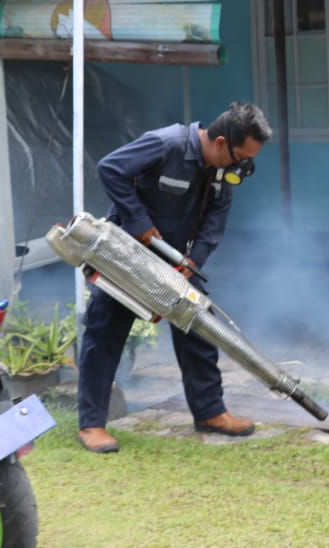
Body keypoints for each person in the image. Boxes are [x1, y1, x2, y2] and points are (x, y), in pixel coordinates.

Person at [76, 101, 272, 454]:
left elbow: (217, 216)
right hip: (128, 255)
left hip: (177, 261)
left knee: (200, 329)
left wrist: (194, 260)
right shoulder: (167, 144)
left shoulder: (219, 171)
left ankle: (210, 412)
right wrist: (139, 222)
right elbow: (111, 168)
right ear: (221, 142)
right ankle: (92, 424)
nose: (240, 168)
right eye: (240, 157)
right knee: (105, 332)